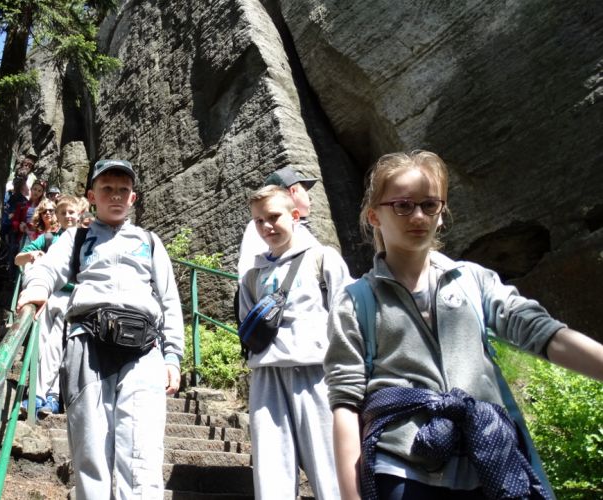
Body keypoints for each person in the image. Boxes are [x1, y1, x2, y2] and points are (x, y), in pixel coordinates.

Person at [323, 150, 603, 500]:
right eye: (403, 205)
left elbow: (542, 333)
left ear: (442, 214)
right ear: (374, 215)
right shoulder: (355, 301)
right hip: (401, 467)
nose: (418, 216)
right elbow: (346, 403)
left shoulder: (475, 281)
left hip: (488, 462)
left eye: (430, 205)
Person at [16, 159, 184, 498]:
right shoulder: (76, 238)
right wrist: (36, 288)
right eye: (107, 189)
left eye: (123, 189)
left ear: (133, 198)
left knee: (143, 453)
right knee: (91, 451)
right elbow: (47, 268)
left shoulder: (149, 242)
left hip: (143, 349)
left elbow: (169, 300)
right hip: (88, 344)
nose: (116, 195)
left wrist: (173, 357)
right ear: (92, 196)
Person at [238, 185, 349, 500]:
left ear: (295, 215)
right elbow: (247, 327)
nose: (266, 226)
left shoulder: (323, 259)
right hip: (267, 375)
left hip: (316, 373)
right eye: (259, 221)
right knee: (271, 473)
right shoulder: (252, 275)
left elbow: (346, 319)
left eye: (274, 217)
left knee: (331, 469)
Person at [16, 195, 85, 415]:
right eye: (63, 213)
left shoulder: (86, 239)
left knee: (57, 344)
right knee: (41, 343)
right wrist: (31, 254)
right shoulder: (49, 238)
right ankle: (38, 394)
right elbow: (19, 259)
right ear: (58, 216)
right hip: (49, 294)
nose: (68, 216)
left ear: (79, 214)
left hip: (71, 298)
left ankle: (48, 396)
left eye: (71, 212)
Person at [238, 166, 319, 278]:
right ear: (293, 191)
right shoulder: (257, 227)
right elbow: (249, 270)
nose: (310, 198)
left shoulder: (300, 228)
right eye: (305, 191)